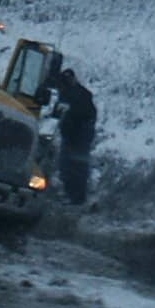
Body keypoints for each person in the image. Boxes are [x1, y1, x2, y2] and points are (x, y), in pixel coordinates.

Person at [50, 66, 97, 205]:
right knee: (69, 166)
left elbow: (85, 114)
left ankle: (76, 198)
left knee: (75, 167)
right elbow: (58, 112)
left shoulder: (80, 95)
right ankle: (72, 196)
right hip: (72, 136)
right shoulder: (70, 93)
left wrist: (69, 114)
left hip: (78, 136)